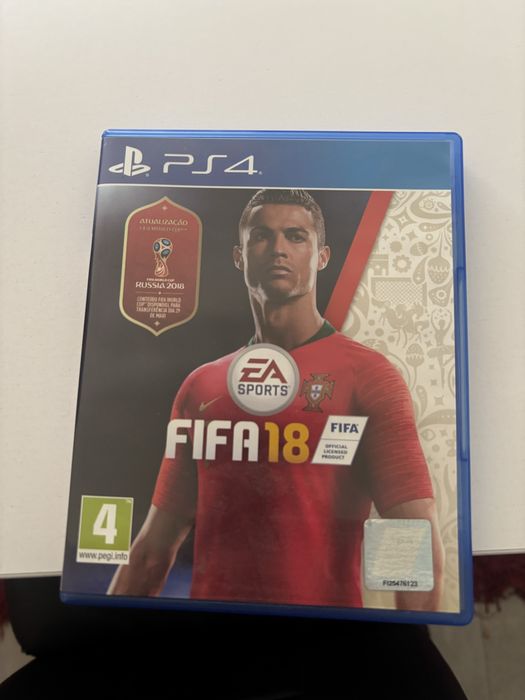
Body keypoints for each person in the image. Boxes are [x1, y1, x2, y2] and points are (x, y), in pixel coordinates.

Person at [108, 189, 444, 611]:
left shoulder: (370, 377)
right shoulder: (202, 387)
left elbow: (413, 537)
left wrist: (404, 644)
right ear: (239, 256)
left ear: (322, 256)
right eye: (262, 236)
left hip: (327, 640)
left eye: (295, 236)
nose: (278, 249)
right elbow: (151, 553)